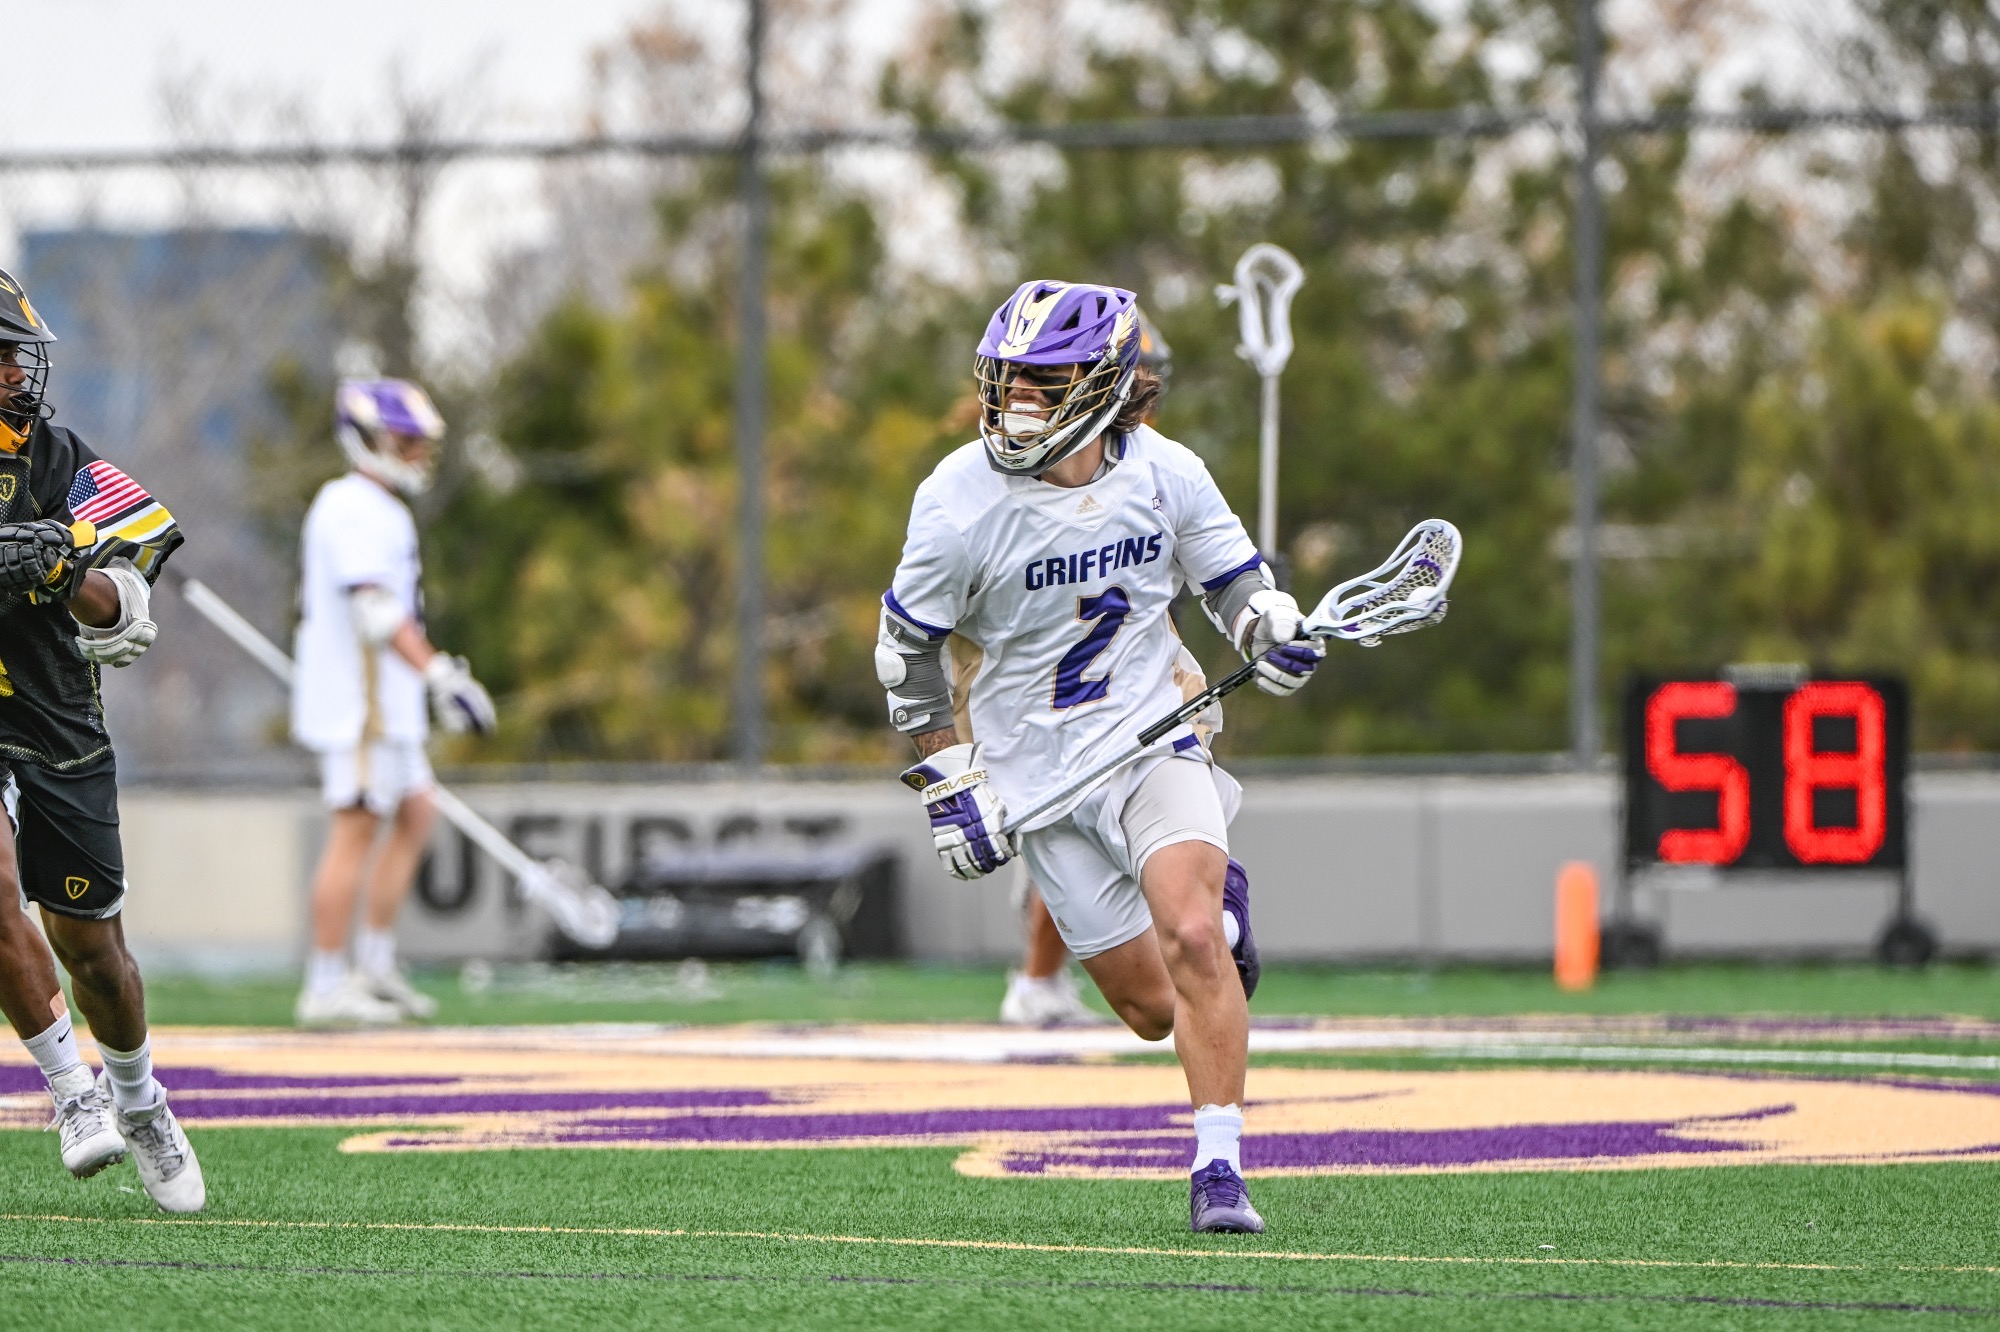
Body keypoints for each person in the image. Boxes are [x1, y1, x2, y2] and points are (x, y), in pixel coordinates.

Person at [879, 280, 1323, 1232]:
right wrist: (950, 781)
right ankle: (1225, 923)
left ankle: (1218, 1171)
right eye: (1009, 383)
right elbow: (904, 650)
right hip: (1035, 771)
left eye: (1047, 382)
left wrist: (1266, 628)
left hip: (1149, 735)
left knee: (1194, 936)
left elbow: (1234, 583)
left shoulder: (1168, 474)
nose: (1020, 404)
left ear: (1109, 386)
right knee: (1152, 1008)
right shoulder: (957, 500)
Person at [988, 309, 1261, 1028]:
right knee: (1149, 1000)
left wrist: (1260, 602)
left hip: (1137, 691)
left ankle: (1203, 918)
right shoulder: (986, 487)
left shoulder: (1159, 468)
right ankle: (1047, 974)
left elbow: (1215, 569)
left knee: (1142, 827)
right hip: (1032, 700)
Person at [0, 267, 204, 1211]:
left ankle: (138, 1095)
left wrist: (61, 557)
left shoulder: (63, 461)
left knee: (96, 952)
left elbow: (126, 607)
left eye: (17, 356)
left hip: (55, 718)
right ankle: (68, 1090)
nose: (14, 374)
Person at [291, 379, 496, 1027]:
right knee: (355, 827)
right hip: (362, 706)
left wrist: (426, 682)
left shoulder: (387, 510)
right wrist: (440, 674)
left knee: (417, 812)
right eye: (405, 441)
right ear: (370, 440)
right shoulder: (347, 505)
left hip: (390, 702)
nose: (416, 453)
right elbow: (376, 611)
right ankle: (325, 982)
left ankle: (374, 965)